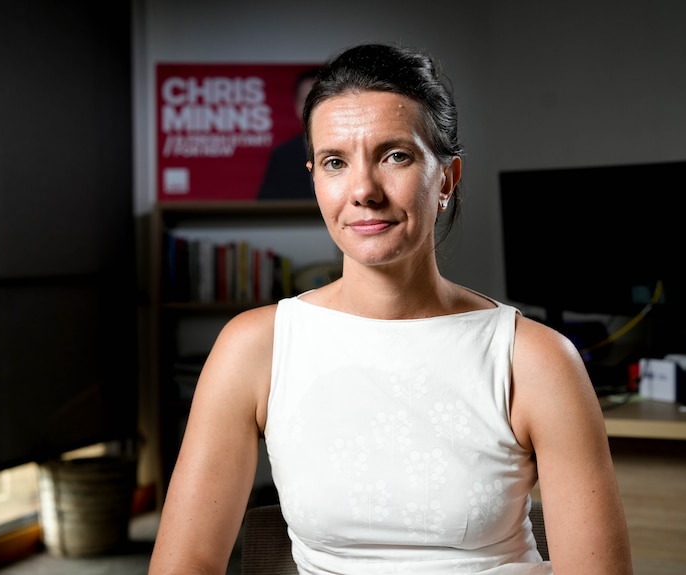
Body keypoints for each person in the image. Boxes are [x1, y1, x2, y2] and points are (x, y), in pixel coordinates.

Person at [149, 42, 633, 575]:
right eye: (335, 162)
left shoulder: (538, 360)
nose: (363, 190)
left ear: (446, 179)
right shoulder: (254, 349)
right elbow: (184, 563)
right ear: (315, 179)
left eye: (394, 156)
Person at [256, 67, 320, 200]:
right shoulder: (283, 157)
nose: (311, 108)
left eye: (318, 100)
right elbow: (265, 206)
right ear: (296, 106)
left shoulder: (353, 146)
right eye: (305, 101)